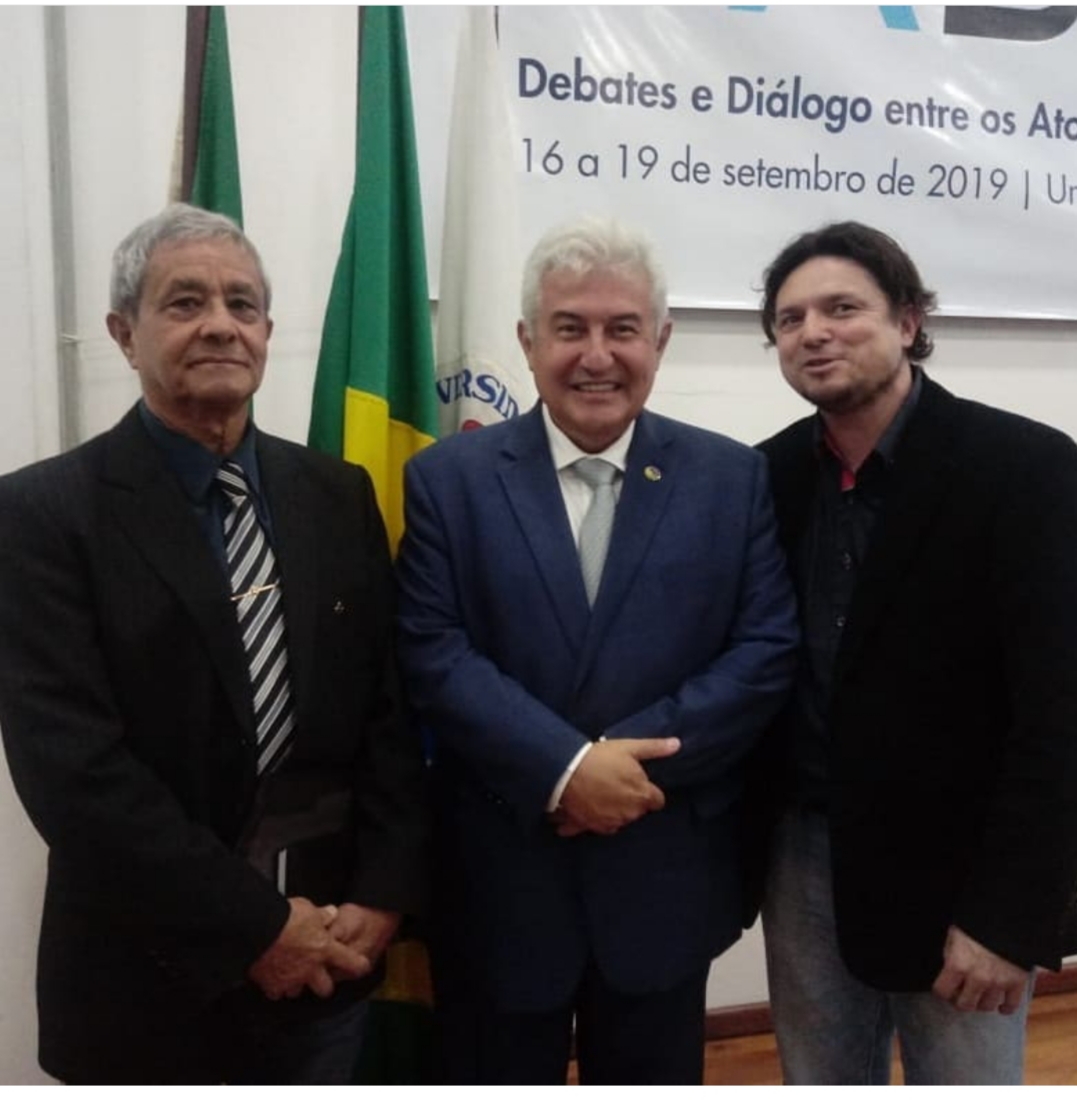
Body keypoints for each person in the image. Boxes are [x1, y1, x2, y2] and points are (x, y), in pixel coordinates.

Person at [0, 204, 427, 1084]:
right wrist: (257, 929)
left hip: (329, 959)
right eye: (185, 302)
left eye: (243, 303)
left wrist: (383, 891)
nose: (221, 324)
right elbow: (75, 775)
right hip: (146, 980)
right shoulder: (42, 515)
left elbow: (388, 712)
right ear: (124, 333)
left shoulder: (337, 494)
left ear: (267, 331)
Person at [395, 217, 798, 1084]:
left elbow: (762, 651)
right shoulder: (448, 479)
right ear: (526, 341)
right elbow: (432, 649)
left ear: (660, 340)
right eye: (569, 327)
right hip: (502, 878)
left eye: (622, 328)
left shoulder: (730, 478)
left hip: (659, 875)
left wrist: (622, 770)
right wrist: (567, 768)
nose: (596, 355)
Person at [755, 219, 1077, 1084]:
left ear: (906, 320)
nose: (814, 332)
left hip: (960, 877)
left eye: (841, 308)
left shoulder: (1025, 469)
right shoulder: (766, 476)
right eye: (789, 318)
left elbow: (1059, 713)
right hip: (803, 859)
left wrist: (1009, 918)